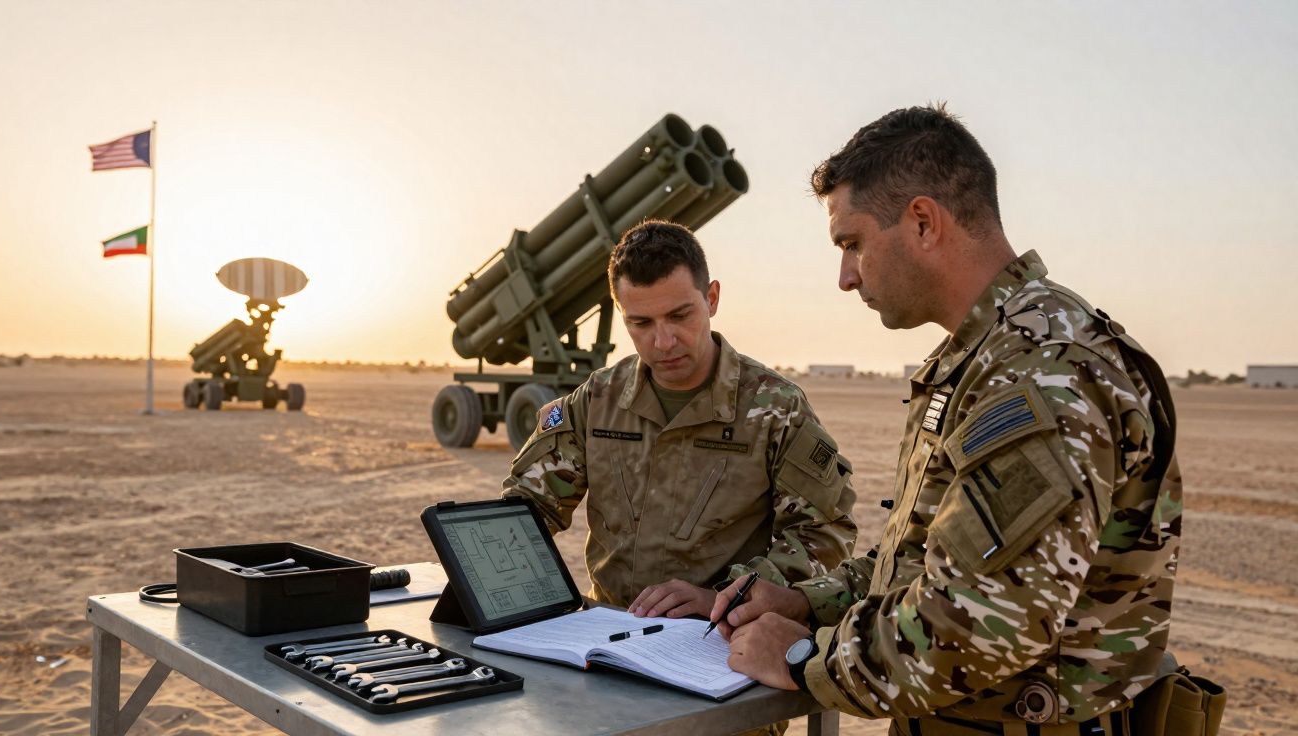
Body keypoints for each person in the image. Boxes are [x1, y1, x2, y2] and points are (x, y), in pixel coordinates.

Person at [712, 104, 1182, 736]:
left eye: (852, 244)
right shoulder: (983, 359)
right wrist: (804, 600)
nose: (845, 278)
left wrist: (801, 658)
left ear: (924, 222)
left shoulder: (1041, 372)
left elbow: (979, 623)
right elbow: (927, 562)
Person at [502, 220, 859, 619]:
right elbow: (528, 508)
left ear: (712, 298)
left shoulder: (776, 407)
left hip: (717, 638)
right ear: (623, 316)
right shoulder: (598, 398)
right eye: (641, 323)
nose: (664, 341)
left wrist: (726, 598)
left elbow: (823, 534)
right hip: (606, 633)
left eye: (679, 315)